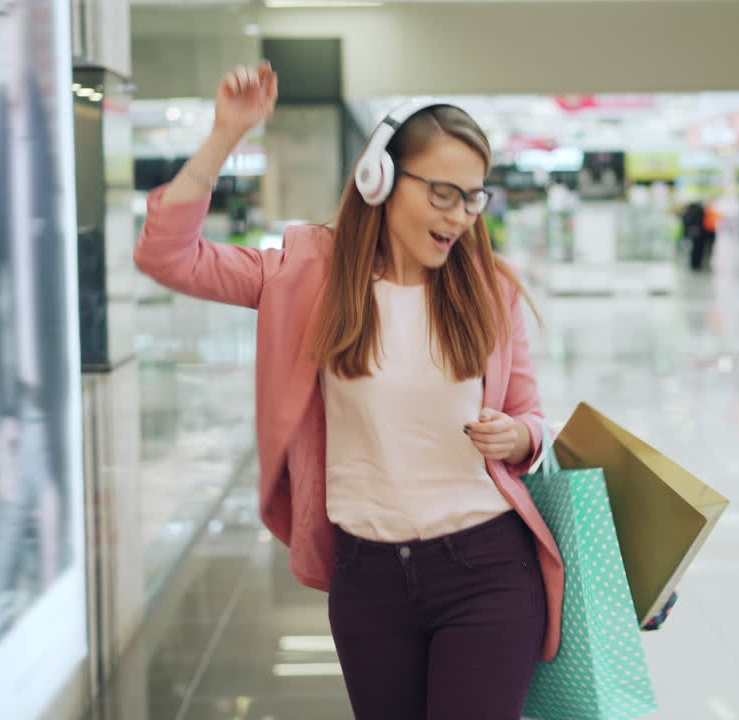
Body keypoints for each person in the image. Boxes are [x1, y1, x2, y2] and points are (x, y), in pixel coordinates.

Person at [134, 64, 562, 719]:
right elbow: (168, 256)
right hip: (369, 580)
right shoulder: (309, 279)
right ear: (379, 179)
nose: (461, 216)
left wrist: (521, 434)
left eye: (474, 197)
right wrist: (225, 135)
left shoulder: (488, 289)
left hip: (489, 570)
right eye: (445, 193)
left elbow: (531, 412)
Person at [0, 0, 70, 653]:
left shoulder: (42, 127)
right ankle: (5, 615)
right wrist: (5, 404)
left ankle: (18, 612)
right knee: (19, 515)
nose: (7, 35)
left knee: (37, 511)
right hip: (12, 384)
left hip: (47, 385)